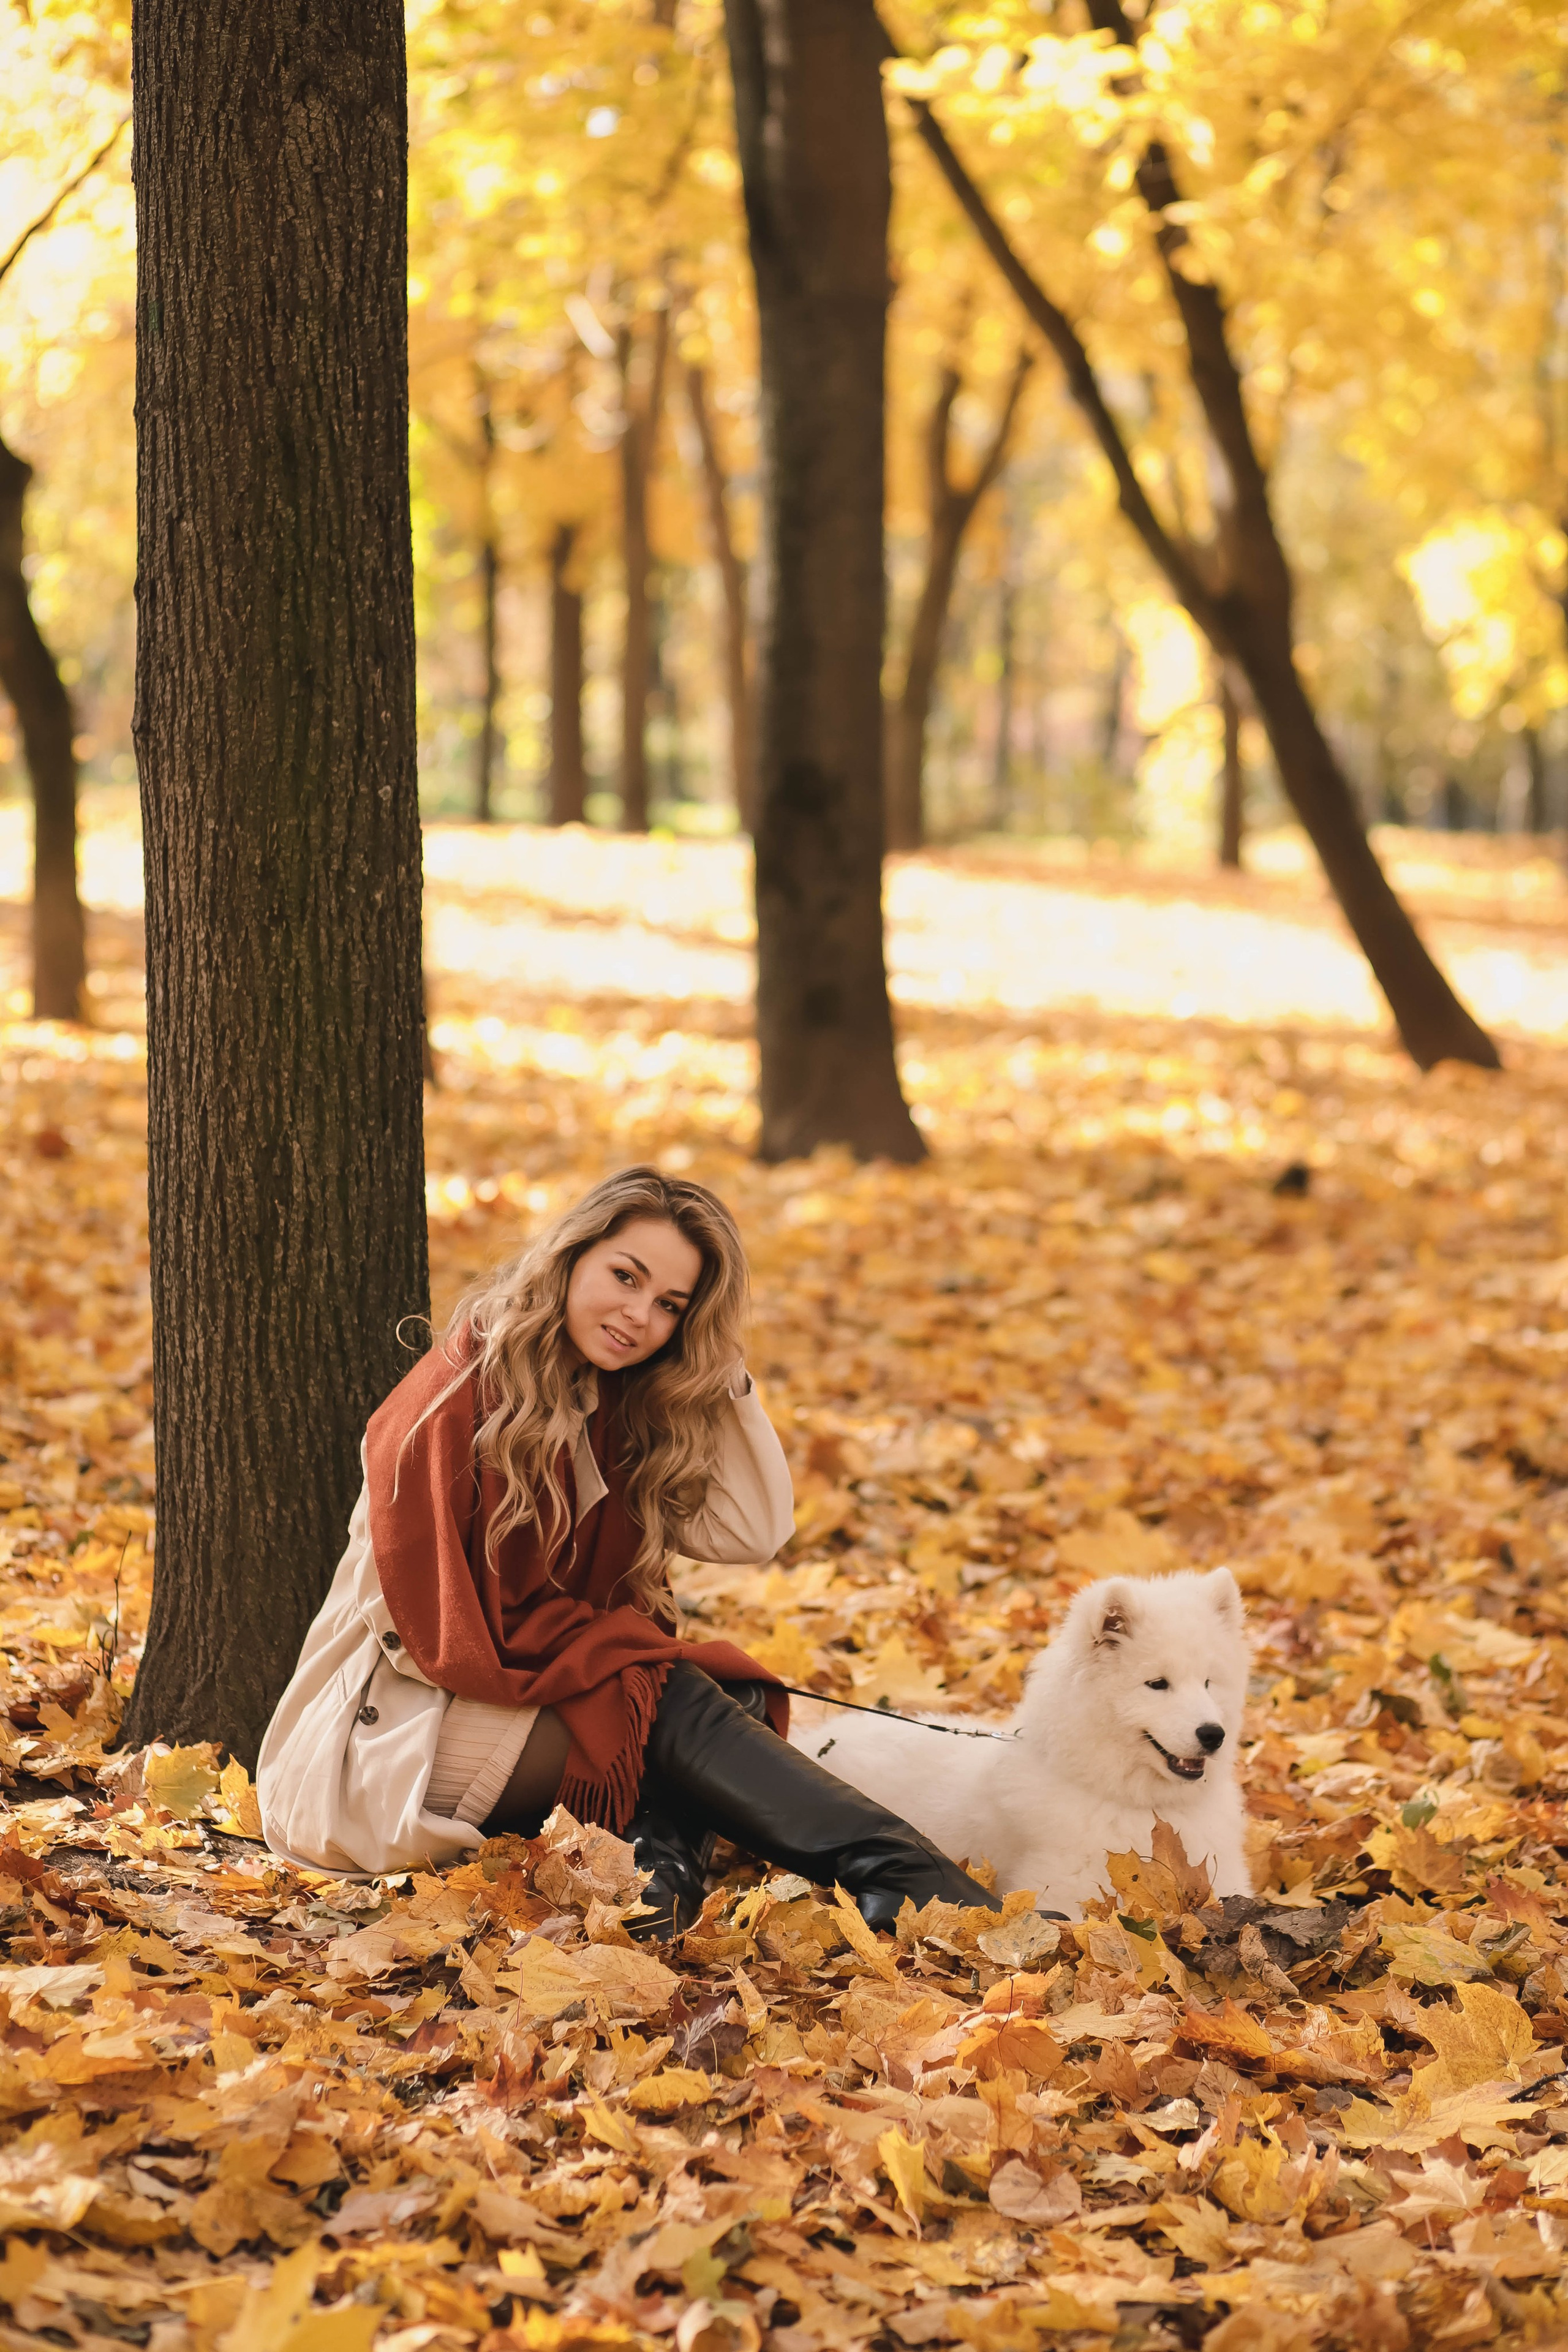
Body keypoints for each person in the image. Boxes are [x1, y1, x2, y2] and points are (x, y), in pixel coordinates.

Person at [257, 1166, 998, 1937]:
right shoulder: (455, 1400)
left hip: (485, 1715)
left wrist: (720, 1371)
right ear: (570, 1257)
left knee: (716, 1691)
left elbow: (752, 1530)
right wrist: (611, 1659)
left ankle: (655, 1899)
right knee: (662, 1691)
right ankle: (909, 1881)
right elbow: (432, 1640)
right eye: (625, 1276)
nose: (638, 1315)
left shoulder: (609, 1407)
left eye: (670, 1306)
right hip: (375, 1750)